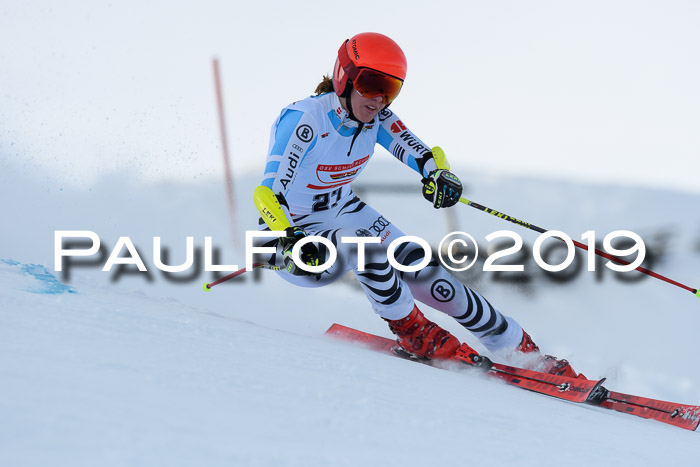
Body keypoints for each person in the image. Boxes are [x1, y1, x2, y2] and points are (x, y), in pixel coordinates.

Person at [253, 32, 582, 378]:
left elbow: (423, 154)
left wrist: (438, 176)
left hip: (342, 211)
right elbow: (267, 194)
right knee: (364, 247)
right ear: (344, 78)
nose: (380, 98)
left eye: (390, 88)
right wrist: (288, 238)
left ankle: (521, 351)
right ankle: (416, 333)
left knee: (429, 274)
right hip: (287, 235)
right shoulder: (305, 120)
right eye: (370, 84)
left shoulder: (376, 117)